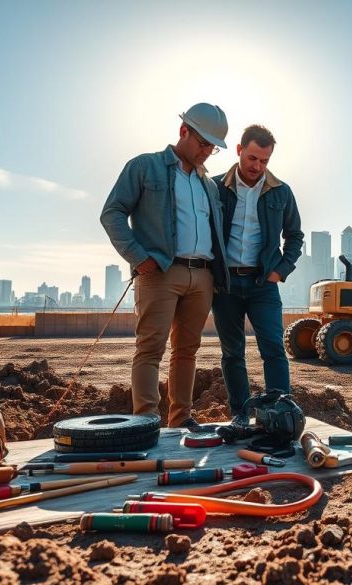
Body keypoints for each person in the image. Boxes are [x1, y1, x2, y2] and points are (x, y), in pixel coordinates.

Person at [101, 103, 230, 431]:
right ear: (183, 131)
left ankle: (180, 420)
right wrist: (137, 256)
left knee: (187, 351)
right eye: (203, 143)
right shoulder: (145, 167)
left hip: (202, 275)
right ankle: (144, 422)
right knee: (150, 349)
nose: (206, 152)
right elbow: (112, 212)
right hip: (160, 272)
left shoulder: (208, 185)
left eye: (212, 148)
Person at [211, 125, 303, 426]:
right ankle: (240, 413)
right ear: (239, 150)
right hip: (225, 284)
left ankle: (279, 413)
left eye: (264, 161)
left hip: (263, 284)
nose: (257, 166)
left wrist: (280, 271)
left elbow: (295, 237)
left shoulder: (281, 192)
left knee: (274, 349)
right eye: (252, 158)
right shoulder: (214, 188)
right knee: (232, 352)